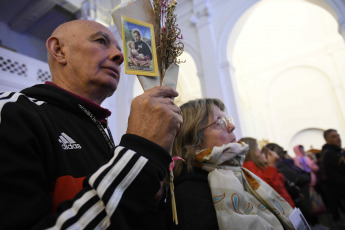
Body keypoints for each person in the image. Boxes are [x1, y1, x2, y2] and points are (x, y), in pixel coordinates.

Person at [0, 20, 183, 229]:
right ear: (58, 50)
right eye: (101, 41)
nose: (120, 56)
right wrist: (138, 153)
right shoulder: (12, 112)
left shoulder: (99, 128)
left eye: (118, 48)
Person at [168, 98, 295, 230]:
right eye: (219, 122)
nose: (231, 126)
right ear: (194, 138)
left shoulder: (239, 174)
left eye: (227, 120)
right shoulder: (190, 197)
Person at [241, 137, 295, 208]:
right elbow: (267, 188)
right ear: (250, 149)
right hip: (279, 206)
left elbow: (279, 182)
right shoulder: (249, 165)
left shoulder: (255, 164)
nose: (260, 151)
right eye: (257, 147)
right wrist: (272, 165)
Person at [321, 129, 345, 228]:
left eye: (338, 135)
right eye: (334, 136)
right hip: (339, 191)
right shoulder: (329, 153)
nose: (338, 138)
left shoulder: (336, 151)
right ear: (327, 140)